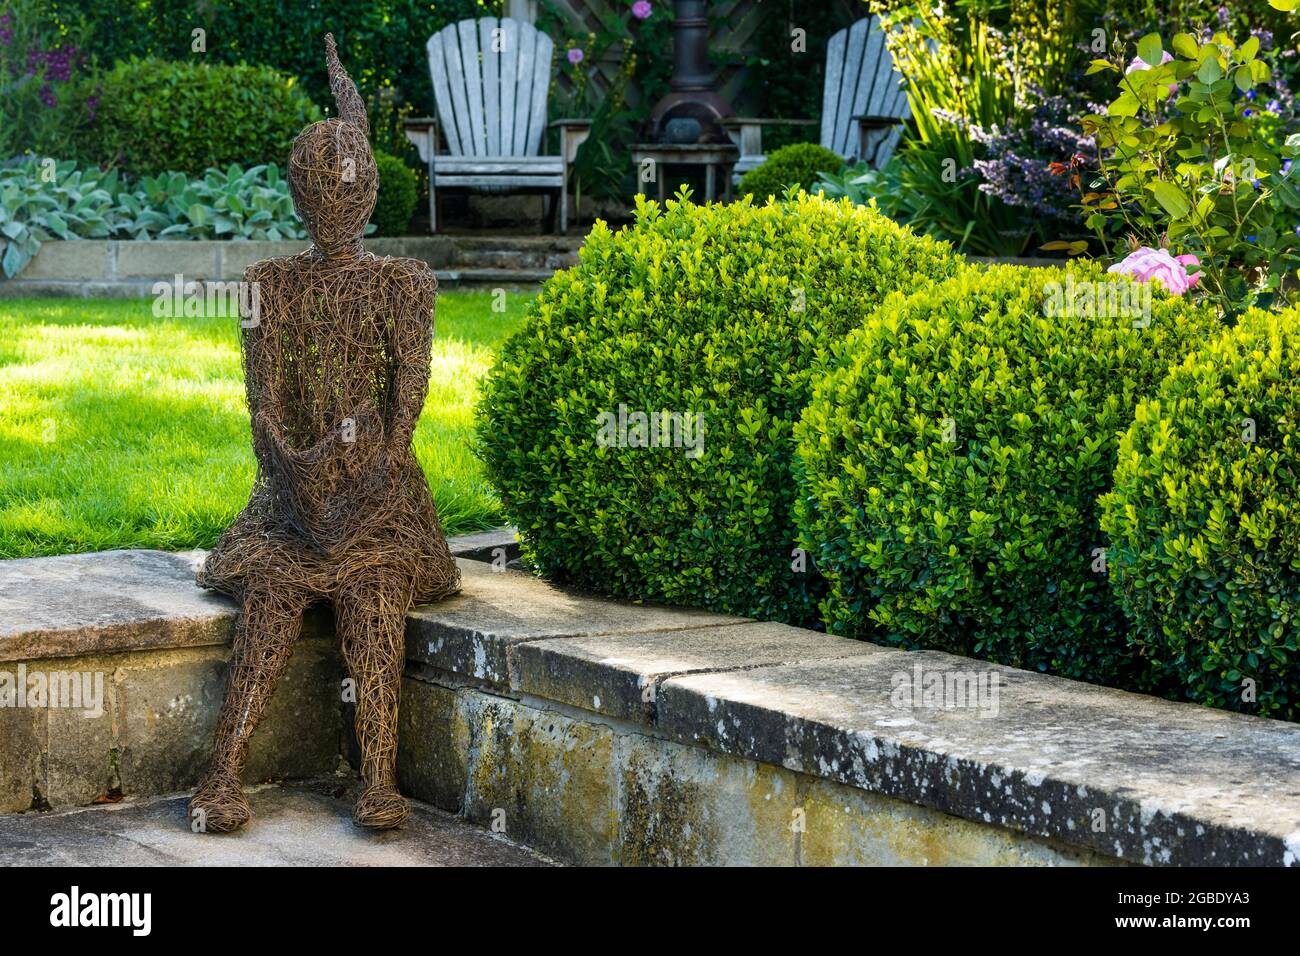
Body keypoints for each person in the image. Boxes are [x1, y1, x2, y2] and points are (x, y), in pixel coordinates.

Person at [189, 34, 460, 833]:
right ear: (298, 197)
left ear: (370, 192)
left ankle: (376, 779)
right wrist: (295, 465)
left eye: (348, 186)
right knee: (271, 594)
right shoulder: (266, 287)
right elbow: (261, 404)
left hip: (380, 495)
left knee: (375, 593)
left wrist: (376, 463)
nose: (335, 203)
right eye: (318, 188)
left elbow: (408, 393)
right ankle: (222, 773)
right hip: (289, 496)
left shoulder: (402, 284)